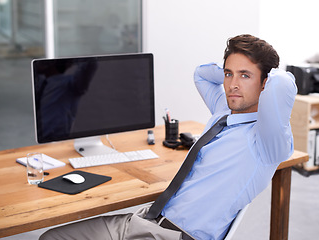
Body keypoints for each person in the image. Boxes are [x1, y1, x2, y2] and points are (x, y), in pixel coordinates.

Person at [40, 34, 297, 240]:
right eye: (229, 74)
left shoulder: (267, 140)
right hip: (145, 220)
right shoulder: (225, 111)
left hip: (173, 236)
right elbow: (201, 75)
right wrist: (234, 68)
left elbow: (283, 85)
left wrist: (266, 73)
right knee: (53, 237)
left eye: (245, 75)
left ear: (265, 84)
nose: (232, 85)